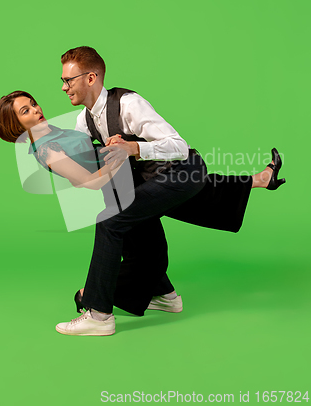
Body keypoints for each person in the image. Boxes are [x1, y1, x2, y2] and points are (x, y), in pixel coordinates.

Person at [54, 46, 286, 337]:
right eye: (62, 81)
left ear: (90, 78)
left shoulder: (128, 103)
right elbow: (86, 164)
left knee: (112, 220)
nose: (64, 87)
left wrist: (133, 147)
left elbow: (178, 145)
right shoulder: (83, 121)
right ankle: (165, 296)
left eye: (68, 80)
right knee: (133, 214)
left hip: (182, 171)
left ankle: (99, 314)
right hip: (154, 180)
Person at [0, 90, 178, 317]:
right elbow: (88, 182)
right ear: (16, 124)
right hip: (117, 188)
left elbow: (91, 152)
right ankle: (88, 298)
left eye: (33, 103)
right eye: (26, 111)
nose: (36, 109)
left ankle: (165, 295)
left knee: (142, 244)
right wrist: (117, 158)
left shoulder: (52, 133)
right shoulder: (47, 150)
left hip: (126, 180)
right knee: (143, 247)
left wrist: (113, 144)